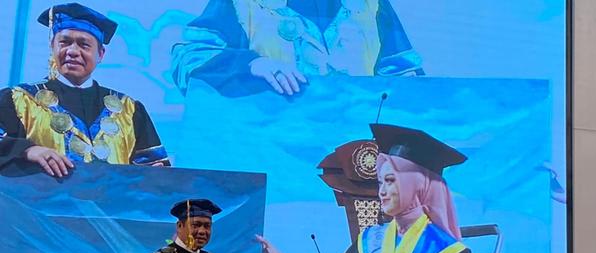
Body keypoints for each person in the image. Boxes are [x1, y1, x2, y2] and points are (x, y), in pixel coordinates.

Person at [257, 123, 473, 253]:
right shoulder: (370, 241)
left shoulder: (446, 251)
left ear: (418, 185)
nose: (382, 191)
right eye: (380, 182)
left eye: (390, 181)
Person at [0, 3, 170, 176]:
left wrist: (156, 175)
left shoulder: (128, 110)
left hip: (112, 195)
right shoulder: (19, 100)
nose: (72, 51)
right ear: (52, 46)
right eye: (64, 42)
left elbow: (155, 171)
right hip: (41, 194)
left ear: (101, 54)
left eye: (84, 45)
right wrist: (27, 150)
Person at [171, 0, 424, 98]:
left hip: (356, 159)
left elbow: (406, 78)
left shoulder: (370, 6)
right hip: (271, 157)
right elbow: (189, 59)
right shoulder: (244, 4)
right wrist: (252, 64)